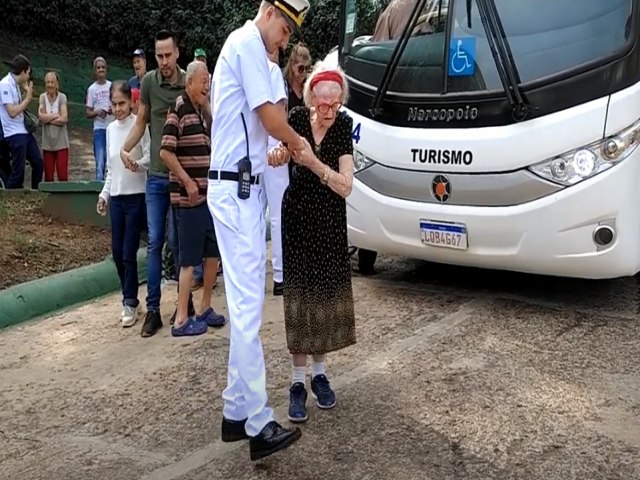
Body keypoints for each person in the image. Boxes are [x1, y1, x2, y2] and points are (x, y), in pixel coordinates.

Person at [207, 0, 312, 462]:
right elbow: (271, 120)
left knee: (247, 304)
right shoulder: (247, 43)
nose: (284, 40)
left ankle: (235, 410)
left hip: (241, 190)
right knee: (248, 310)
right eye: (285, 29)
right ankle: (257, 423)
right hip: (234, 191)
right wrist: (299, 142)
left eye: (290, 33)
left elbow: (267, 124)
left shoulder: (249, 48)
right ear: (270, 11)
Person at [269, 62, 356, 423]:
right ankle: (296, 382)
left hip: (329, 222)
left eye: (336, 105)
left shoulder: (343, 127)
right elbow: (279, 152)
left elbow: (346, 185)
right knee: (301, 297)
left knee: (325, 297)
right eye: (324, 105)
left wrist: (314, 163)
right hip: (299, 220)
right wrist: (279, 154)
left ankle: (319, 375)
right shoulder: (297, 121)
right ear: (311, 100)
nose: (330, 112)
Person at [121, 29, 194, 338]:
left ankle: (185, 304)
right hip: (156, 178)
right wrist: (125, 148)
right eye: (159, 55)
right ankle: (153, 310)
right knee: (154, 244)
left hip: (181, 175)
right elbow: (141, 121)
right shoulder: (149, 82)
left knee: (179, 244)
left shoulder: (188, 81)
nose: (163, 61)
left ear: (177, 53)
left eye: (167, 55)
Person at [160, 61, 225, 337]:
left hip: (208, 199)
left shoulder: (200, 111)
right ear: (190, 83)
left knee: (213, 254)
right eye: (203, 82)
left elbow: (216, 128)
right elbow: (165, 152)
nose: (207, 86)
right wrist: (187, 181)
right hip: (188, 200)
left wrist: (207, 104)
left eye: (209, 82)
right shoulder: (179, 107)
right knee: (188, 260)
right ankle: (181, 319)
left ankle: (204, 308)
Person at [97, 80, 149, 327]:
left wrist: (138, 164)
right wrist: (104, 195)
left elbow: (149, 156)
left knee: (129, 251)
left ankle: (130, 300)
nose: (118, 108)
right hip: (117, 197)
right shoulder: (109, 130)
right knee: (117, 253)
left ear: (131, 102)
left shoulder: (139, 125)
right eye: (114, 104)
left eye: (122, 103)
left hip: (136, 195)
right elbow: (110, 168)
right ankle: (129, 295)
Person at [263, 47, 289, 296]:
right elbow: (280, 113)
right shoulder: (271, 72)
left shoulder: (240, 71)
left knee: (253, 215)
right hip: (272, 144)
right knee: (279, 213)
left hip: (250, 148)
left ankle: (256, 274)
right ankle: (280, 275)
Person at [0, 54, 44, 190]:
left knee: (38, 163)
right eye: (28, 73)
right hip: (13, 133)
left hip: (23, 130)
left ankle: (35, 192)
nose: (28, 77)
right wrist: (28, 99)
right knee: (18, 173)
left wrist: (26, 93)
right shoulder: (5, 85)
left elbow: (19, 107)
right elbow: (12, 112)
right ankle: (7, 198)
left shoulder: (16, 84)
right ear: (23, 71)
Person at [38, 71, 70, 182]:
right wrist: (56, 116)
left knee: (62, 177)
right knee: (48, 178)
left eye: (52, 82)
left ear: (57, 84)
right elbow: (40, 117)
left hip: (61, 144)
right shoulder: (42, 97)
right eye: (48, 82)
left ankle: (64, 199)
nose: (50, 85)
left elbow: (64, 118)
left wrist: (47, 119)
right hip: (47, 145)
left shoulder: (62, 97)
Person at [86, 56, 113, 181]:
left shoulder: (111, 86)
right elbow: (88, 112)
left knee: (112, 162)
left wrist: (112, 110)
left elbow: (118, 104)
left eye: (103, 67)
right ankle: (99, 192)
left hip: (112, 128)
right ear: (95, 71)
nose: (101, 69)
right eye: (98, 68)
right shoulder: (92, 89)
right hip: (99, 129)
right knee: (100, 162)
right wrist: (97, 112)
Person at [283, 43, 311, 110]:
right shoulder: (283, 86)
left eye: (307, 68)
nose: (304, 71)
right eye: (301, 68)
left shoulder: (309, 87)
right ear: (292, 66)